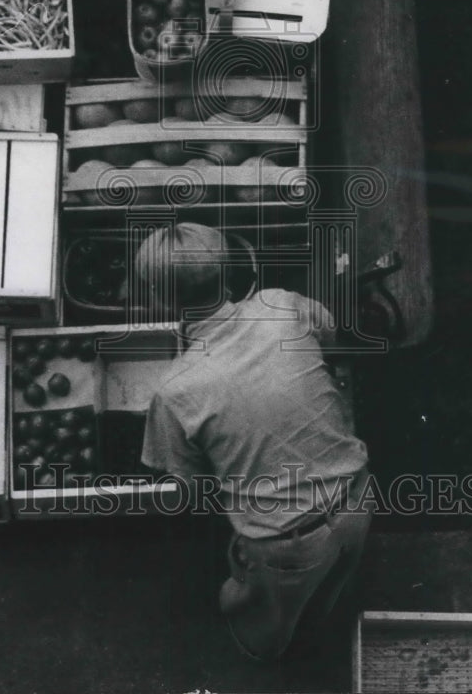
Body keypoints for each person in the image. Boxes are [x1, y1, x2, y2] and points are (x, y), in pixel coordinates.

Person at [134, 222, 371, 661]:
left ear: (158, 297)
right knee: (340, 579)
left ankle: (288, 649)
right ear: (228, 272)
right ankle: (335, 591)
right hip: (358, 497)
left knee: (271, 627)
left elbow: (193, 488)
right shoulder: (281, 305)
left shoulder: (174, 390)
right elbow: (330, 338)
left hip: (288, 543)